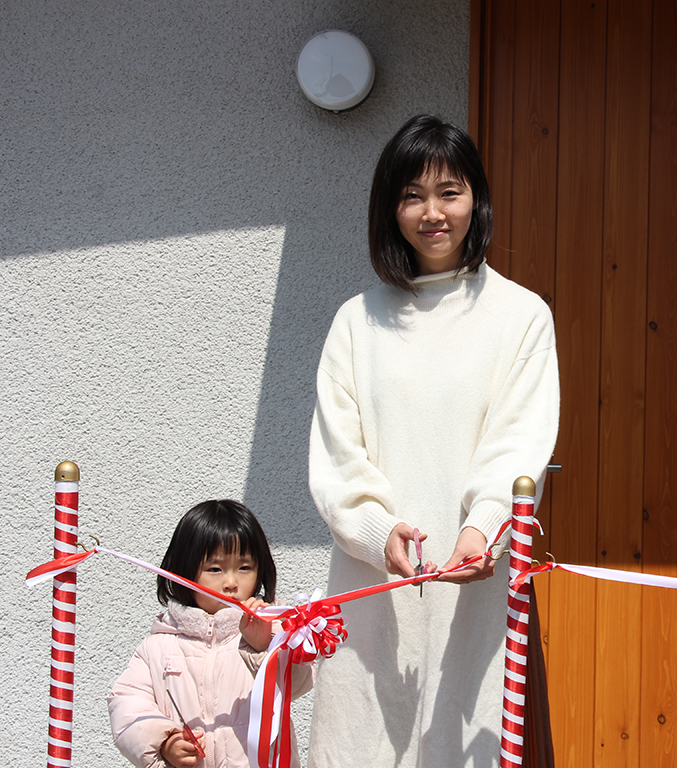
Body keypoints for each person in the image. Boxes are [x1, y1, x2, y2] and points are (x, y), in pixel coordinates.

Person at [307, 114, 559, 767]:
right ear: (389, 209)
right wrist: (375, 530)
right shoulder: (356, 322)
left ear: (476, 199)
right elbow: (338, 459)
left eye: (449, 191)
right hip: (373, 590)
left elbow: (518, 441)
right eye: (411, 195)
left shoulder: (520, 316)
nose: (432, 211)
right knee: (364, 742)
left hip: (475, 580)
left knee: (469, 739)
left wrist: (485, 526)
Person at [108, 499, 312, 768]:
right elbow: (126, 703)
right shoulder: (158, 645)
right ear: (184, 571)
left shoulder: (275, 631)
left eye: (244, 567)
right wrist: (164, 741)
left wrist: (262, 648)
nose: (231, 583)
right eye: (215, 569)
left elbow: (298, 684)